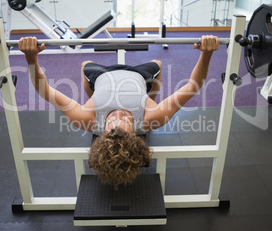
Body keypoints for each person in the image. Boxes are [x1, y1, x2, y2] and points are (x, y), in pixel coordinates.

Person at [18, 35, 219, 189]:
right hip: (139, 74)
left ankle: (94, 92)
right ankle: (149, 96)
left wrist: (31, 58)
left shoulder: (87, 119)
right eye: (124, 118)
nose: (117, 114)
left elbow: (45, 91)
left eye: (110, 120)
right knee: (158, 63)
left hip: (101, 76)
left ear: (102, 133)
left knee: (84, 65)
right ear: (134, 133)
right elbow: (193, 86)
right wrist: (206, 53)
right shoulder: (151, 117)